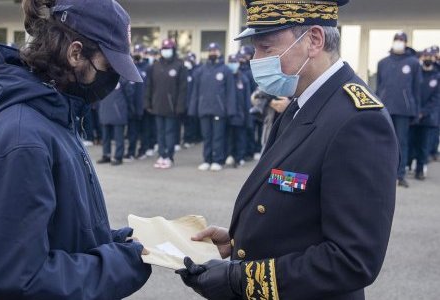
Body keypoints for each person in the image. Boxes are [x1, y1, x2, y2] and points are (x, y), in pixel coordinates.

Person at [176, 1, 399, 300]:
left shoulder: (358, 120)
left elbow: (352, 260)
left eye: (266, 48)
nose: (256, 60)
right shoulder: (303, 103)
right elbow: (296, 214)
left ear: (314, 40)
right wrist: (236, 240)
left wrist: (240, 280)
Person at [0, 0, 152, 299]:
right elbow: (20, 276)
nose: (112, 80)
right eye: (108, 66)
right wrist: (125, 262)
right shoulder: (25, 138)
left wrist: (132, 243)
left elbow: (65, 233)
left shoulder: (56, 117)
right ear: (75, 53)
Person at [377, 32, 422, 188]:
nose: (399, 42)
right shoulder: (383, 62)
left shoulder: (413, 63)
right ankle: (384, 174)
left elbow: (417, 89)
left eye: (402, 40)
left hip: (404, 110)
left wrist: (416, 111)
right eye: (397, 40)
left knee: (402, 142)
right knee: (384, 142)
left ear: (406, 43)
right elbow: (378, 87)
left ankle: (400, 174)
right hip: (385, 109)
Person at [189, 43, 236, 171]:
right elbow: (195, 92)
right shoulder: (201, 71)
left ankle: (218, 160)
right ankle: (207, 160)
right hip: (204, 109)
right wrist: (193, 109)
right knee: (207, 136)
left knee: (218, 136)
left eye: (215, 50)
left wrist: (231, 110)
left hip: (219, 110)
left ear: (220, 52)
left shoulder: (225, 70)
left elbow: (231, 92)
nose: (213, 53)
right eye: (210, 50)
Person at [145, 38, 187, 169]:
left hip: (171, 107)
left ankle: (169, 156)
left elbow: (183, 88)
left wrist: (180, 106)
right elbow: (149, 86)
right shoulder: (155, 66)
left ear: (173, 50)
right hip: (157, 105)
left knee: (170, 133)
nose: (165, 51)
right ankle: (161, 155)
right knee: (160, 133)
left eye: (168, 49)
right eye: (163, 49)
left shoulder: (179, 65)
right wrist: (148, 102)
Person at [408, 48, 439, 179]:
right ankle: (408, 165)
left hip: (428, 118)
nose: (427, 58)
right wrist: (415, 111)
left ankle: (420, 170)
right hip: (414, 116)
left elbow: (436, 99)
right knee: (410, 143)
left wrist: (423, 112)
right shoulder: (417, 73)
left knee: (423, 146)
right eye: (425, 56)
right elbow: (412, 93)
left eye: (430, 56)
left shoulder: (437, 76)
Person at [97, 78, 134, 166]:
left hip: (118, 113)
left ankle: (118, 156)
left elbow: (129, 95)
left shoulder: (122, 79)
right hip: (106, 110)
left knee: (118, 137)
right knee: (107, 136)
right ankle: (107, 155)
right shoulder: (103, 79)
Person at [225, 53, 252, 168]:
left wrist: (247, 115)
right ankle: (230, 154)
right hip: (227, 114)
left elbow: (247, 100)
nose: (233, 65)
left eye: (235, 62)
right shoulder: (225, 77)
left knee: (240, 137)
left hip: (240, 114)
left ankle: (239, 157)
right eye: (231, 62)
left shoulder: (243, 78)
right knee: (229, 137)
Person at [126, 44, 147, 161]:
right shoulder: (130, 68)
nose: (138, 54)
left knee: (143, 131)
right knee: (132, 132)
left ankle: (143, 150)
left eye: (140, 52)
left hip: (143, 105)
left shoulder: (148, 68)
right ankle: (131, 152)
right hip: (132, 105)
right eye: (136, 52)